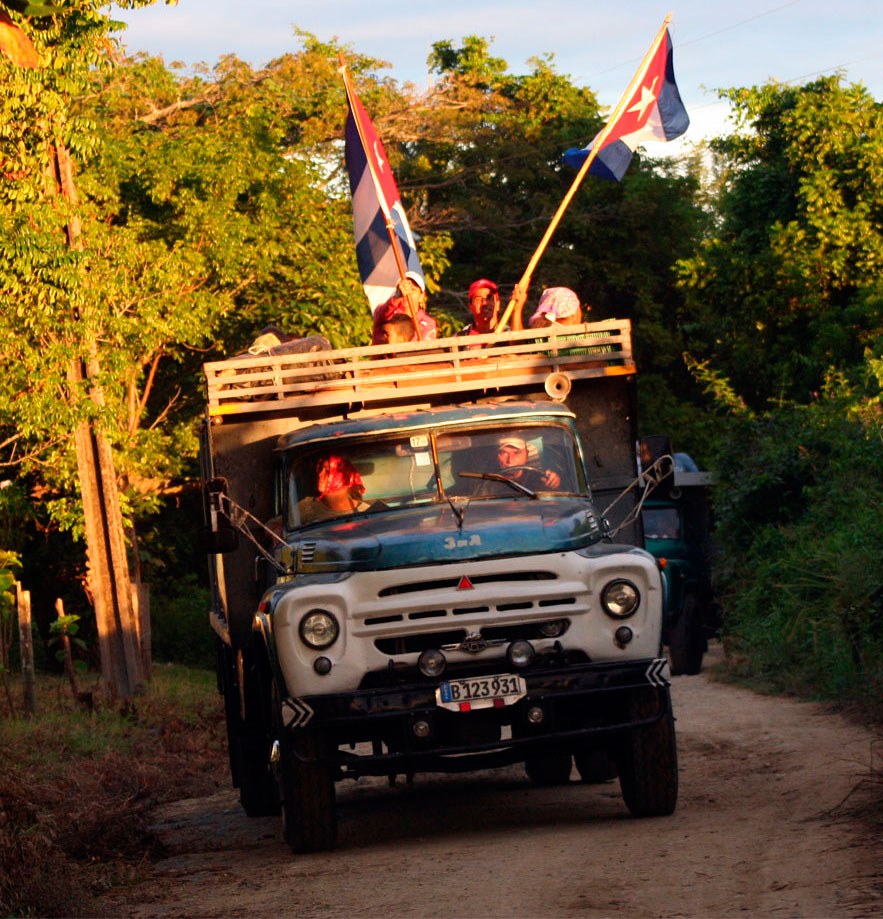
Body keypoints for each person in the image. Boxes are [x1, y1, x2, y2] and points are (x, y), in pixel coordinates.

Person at [298, 455, 371, 524]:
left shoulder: (365, 512)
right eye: (320, 469)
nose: (320, 474)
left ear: (344, 479)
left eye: (327, 471)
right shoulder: (306, 507)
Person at [371, 271, 437, 345]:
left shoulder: (428, 323)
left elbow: (427, 350)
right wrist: (397, 297)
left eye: (413, 289)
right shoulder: (385, 314)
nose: (407, 293)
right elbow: (382, 314)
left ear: (421, 296)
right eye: (402, 289)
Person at [458, 279, 526, 340]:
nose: (485, 303)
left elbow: (518, 348)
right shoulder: (460, 339)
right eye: (478, 299)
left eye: (490, 298)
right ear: (470, 307)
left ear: (498, 305)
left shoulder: (508, 335)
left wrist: (517, 309)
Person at [495, 435, 561, 490]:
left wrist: (553, 482)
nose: (510, 460)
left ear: (527, 454)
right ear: (496, 455)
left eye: (517, 453)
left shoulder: (539, 479)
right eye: (503, 453)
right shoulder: (489, 481)